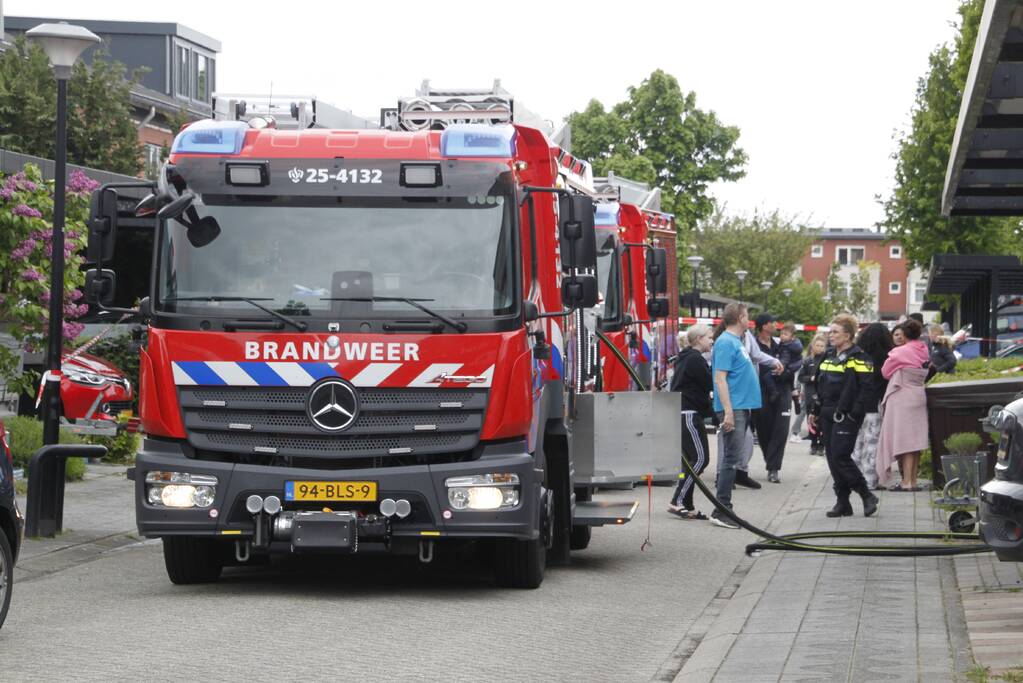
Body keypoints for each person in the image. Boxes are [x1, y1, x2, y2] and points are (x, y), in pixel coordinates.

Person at [808, 314, 879, 518]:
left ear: (848, 335)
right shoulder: (828, 355)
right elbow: (820, 384)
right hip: (827, 413)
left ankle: (866, 495)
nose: (831, 335)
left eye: (835, 332)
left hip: (846, 414)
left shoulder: (860, 357)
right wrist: (815, 411)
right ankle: (843, 502)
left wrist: (853, 413)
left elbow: (867, 389)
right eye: (830, 331)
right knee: (832, 458)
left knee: (840, 456)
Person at [710, 303, 762, 529]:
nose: (749, 319)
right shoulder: (725, 342)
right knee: (731, 459)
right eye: (747, 316)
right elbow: (720, 379)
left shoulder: (735, 342)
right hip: (734, 408)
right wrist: (728, 412)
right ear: (740, 318)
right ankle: (722, 509)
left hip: (741, 406)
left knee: (733, 457)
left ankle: (723, 507)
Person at [877, 318, 930, 491]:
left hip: (902, 397)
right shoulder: (923, 349)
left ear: (905, 335)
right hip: (918, 395)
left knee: (905, 441)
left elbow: (885, 372)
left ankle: (906, 482)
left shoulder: (900, 352)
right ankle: (913, 480)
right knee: (916, 441)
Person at [667, 324, 714, 520]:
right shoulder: (695, 360)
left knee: (691, 462)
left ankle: (687, 503)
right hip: (688, 414)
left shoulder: (687, 358)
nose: (712, 340)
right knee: (701, 458)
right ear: (698, 339)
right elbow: (710, 383)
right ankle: (677, 500)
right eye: (709, 337)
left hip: (686, 412)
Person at [752, 315, 800, 483]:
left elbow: (796, 361)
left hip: (783, 390)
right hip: (761, 392)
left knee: (781, 430)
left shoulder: (781, 344)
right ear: (764, 326)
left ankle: (773, 468)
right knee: (764, 430)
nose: (776, 326)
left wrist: (785, 372)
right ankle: (770, 461)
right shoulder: (753, 345)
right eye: (772, 323)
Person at [850, 323, 893, 490]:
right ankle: (869, 480)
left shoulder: (858, 355)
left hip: (857, 403)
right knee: (872, 442)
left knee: (857, 441)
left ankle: (852, 477)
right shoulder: (887, 357)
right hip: (875, 404)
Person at [792, 333, 828, 455]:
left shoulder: (827, 361)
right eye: (817, 345)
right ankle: (813, 444)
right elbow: (801, 377)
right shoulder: (808, 361)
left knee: (823, 422)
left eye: (822, 346)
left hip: (822, 396)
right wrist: (811, 378)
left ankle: (821, 445)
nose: (820, 348)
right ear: (813, 346)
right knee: (811, 421)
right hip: (810, 396)